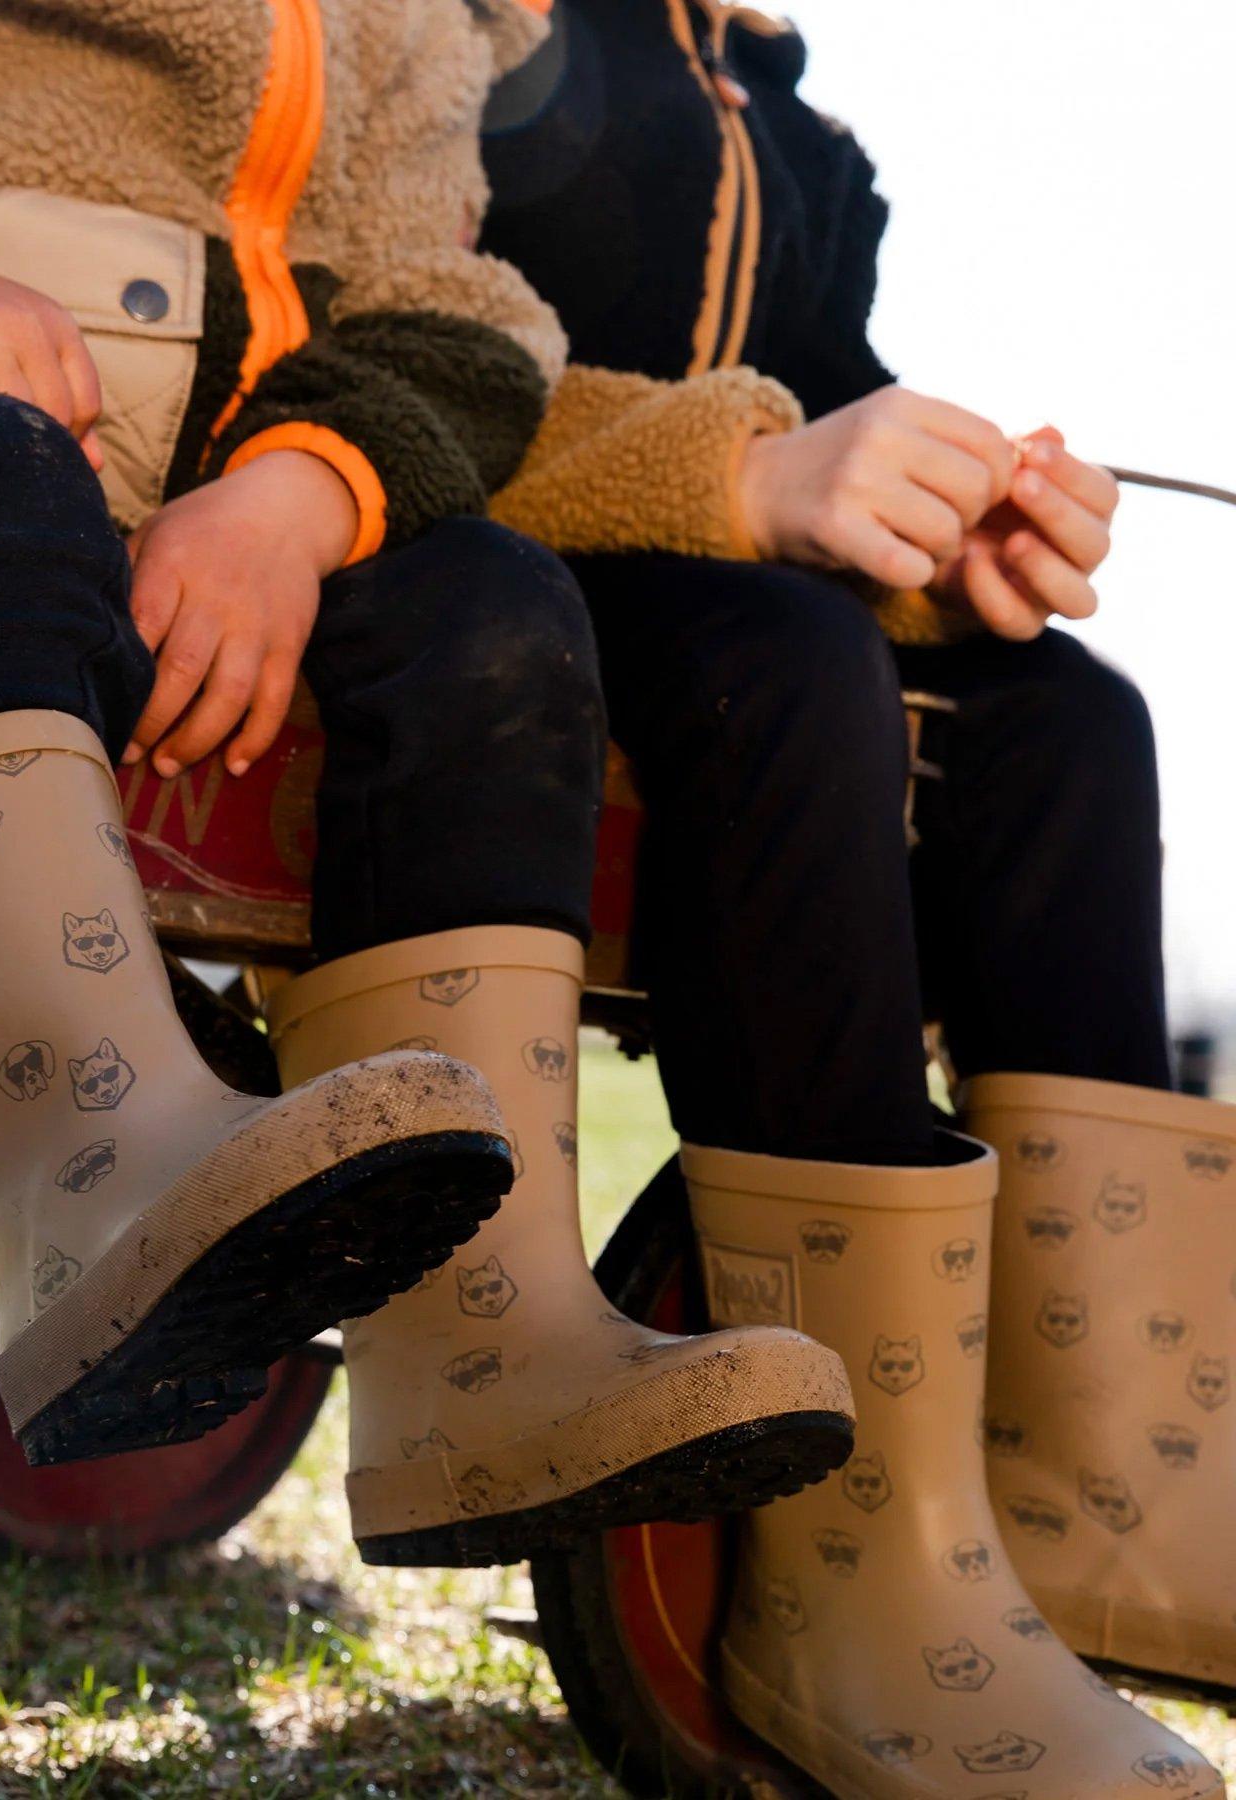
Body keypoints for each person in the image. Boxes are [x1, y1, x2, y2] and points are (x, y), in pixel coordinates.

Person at [0, 0, 855, 1539]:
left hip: (195, 523)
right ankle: (92, 1173)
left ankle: (492, 1350)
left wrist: (295, 494)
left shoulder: (417, 22)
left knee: (488, 604)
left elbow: (446, 299)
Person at [475, 4, 1232, 1793]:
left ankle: (1105, 1490)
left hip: (743, 592)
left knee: (1065, 723)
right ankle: (848, 1564)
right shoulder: (469, 47)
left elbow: (824, 425)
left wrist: (933, 549)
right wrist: (749, 487)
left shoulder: (795, 135)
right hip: (484, 569)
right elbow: (401, 361)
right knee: (784, 661)